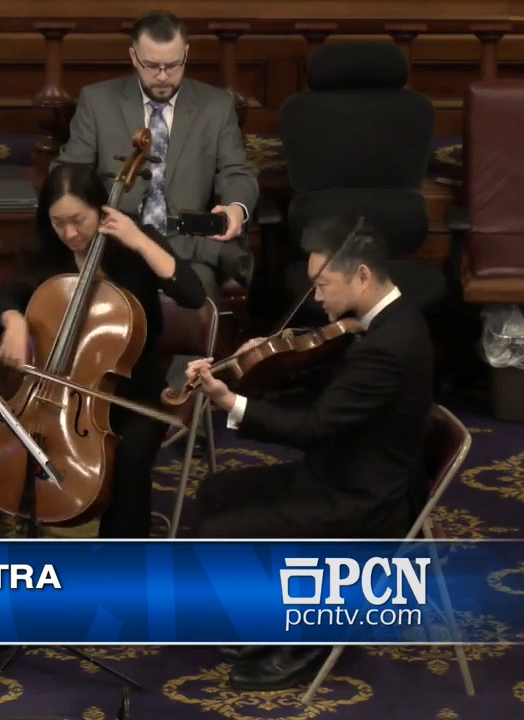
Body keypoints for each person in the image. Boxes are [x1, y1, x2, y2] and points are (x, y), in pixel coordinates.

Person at [185, 216, 433, 690]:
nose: (317, 296)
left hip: (364, 500)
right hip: (342, 470)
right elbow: (338, 386)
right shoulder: (381, 320)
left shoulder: (388, 345)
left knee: (220, 533)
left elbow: (316, 425)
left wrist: (229, 401)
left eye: (323, 284)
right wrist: (272, 356)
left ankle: (306, 637)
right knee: (216, 491)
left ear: (362, 275)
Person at [0, 162, 206, 539]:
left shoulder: (134, 246)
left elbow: (193, 294)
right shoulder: (47, 251)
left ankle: (121, 564)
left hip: (132, 392)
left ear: (102, 210)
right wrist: (13, 320)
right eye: (58, 222)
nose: (69, 233)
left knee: (130, 458)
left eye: (79, 220)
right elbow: (8, 294)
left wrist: (138, 240)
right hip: (53, 385)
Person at [55, 10, 259, 302]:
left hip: (187, 246)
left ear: (186, 54)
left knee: (199, 297)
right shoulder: (97, 101)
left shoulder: (216, 105)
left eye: (173, 65)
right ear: (133, 56)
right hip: (116, 243)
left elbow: (237, 171)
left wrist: (236, 209)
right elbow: (70, 172)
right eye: (151, 66)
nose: (163, 76)